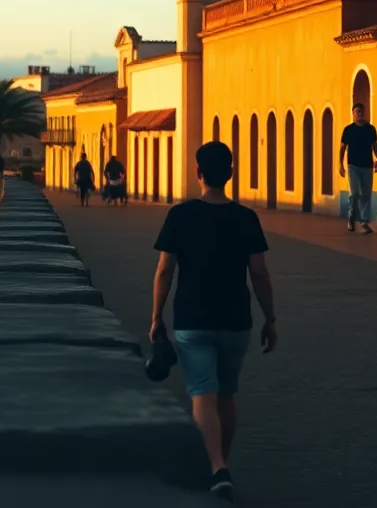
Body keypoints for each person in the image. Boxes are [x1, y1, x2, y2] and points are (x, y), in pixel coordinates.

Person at [149, 141, 276, 500]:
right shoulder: (246, 218)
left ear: (198, 173)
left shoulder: (180, 215)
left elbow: (165, 269)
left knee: (202, 394)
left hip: (192, 319)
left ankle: (217, 466)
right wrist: (270, 318)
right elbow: (259, 273)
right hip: (236, 320)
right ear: (230, 174)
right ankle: (220, 464)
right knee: (226, 394)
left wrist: (156, 316)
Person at [338, 102, 377, 233]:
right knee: (355, 193)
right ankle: (351, 217)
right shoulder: (348, 130)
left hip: (367, 166)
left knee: (366, 194)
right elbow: (342, 147)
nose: (359, 114)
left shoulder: (370, 129)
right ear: (353, 113)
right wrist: (340, 164)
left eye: (361, 112)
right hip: (353, 166)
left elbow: (375, 145)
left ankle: (364, 221)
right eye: (357, 112)